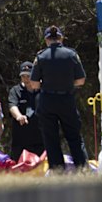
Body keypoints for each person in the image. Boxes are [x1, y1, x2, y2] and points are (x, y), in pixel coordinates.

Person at [29, 25, 87, 171]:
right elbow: (81, 80)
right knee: (74, 136)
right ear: (61, 38)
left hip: (47, 100)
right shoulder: (71, 54)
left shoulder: (41, 57)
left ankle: (57, 170)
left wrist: (47, 84)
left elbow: (34, 84)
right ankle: (82, 168)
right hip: (66, 99)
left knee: (51, 138)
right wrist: (67, 83)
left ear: (46, 39)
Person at [8, 61, 44, 161]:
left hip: (40, 137)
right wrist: (19, 116)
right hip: (21, 138)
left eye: (28, 75)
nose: (26, 79)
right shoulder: (15, 91)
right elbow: (12, 105)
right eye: (23, 76)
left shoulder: (42, 90)